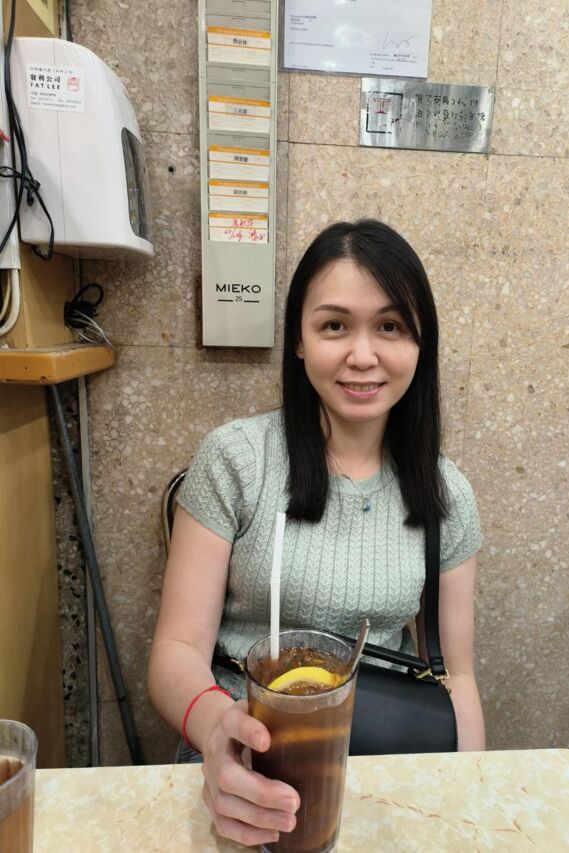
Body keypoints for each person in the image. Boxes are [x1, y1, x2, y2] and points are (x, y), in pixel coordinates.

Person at [148, 219, 484, 848]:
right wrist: (219, 730)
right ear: (299, 341)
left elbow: (457, 678)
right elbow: (176, 650)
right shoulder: (236, 460)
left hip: (381, 756)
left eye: (391, 326)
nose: (363, 355)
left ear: (421, 343)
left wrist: (465, 796)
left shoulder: (446, 493)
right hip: (242, 750)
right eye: (334, 326)